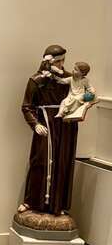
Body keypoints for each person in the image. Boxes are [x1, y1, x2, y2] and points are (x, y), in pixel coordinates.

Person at [19, 45, 78, 215]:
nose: (61, 65)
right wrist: (35, 124)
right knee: (41, 160)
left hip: (65, 124)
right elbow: (26, 106)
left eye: (63, 61)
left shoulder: (69, 79)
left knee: (62, 161)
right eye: (57, 61)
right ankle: (32, 201)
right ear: (48, 60)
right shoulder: (37, 80)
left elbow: (78, 96)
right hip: (45, 122)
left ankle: (57, 204)